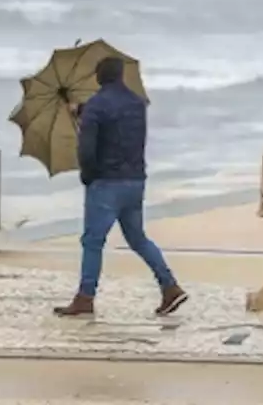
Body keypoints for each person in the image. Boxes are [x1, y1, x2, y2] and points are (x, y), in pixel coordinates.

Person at [52, 56, 188, 317]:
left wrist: (87, 175)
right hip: (135, 181)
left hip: (106, 183)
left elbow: (87, 148)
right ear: (121, 76)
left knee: (93, 241)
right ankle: (169, 286)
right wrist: (82, 110)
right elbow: (116, 125)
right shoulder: (137, 104)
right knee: (138, 238)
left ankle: (85, 297)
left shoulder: (96, 106)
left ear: (99, 77)